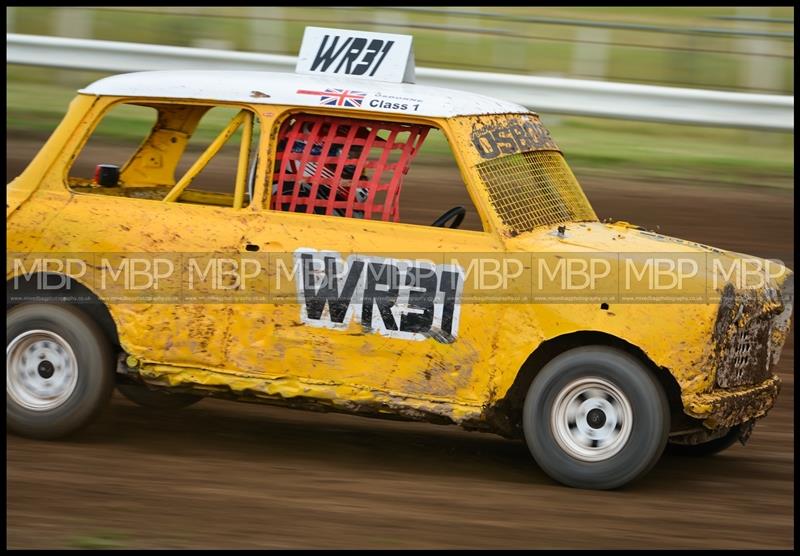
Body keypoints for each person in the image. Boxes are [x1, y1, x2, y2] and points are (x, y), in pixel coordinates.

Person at [272, 121, 370, 217]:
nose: (356, 161)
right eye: (352, 153)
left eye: (358, 153)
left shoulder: (319, 193)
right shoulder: (293, 197)